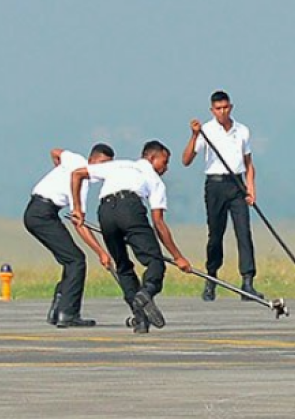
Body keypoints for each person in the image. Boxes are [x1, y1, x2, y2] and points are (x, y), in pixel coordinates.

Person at [70, 141, 192, 334]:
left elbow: (77, 174)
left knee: (123, 267)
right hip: (130, 208)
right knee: (155, 263)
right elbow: (158, 223)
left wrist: (77, 208)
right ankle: (146, 293)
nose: (166, 168)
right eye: (165, 162)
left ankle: (141, 319)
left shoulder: (119, 164)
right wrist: (178, 257)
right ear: (152, 157)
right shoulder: (155, 180)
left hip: (105, 212)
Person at [24, 144, 115, 328]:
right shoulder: (81, 183)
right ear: (92, 160)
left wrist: (58, 171)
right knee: (76, 261)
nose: (102, 169)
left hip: (38, 211)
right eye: (101, 163)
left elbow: (55, 152)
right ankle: (68, 314)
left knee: (70, 259)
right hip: (42, 214)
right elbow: (79, 224)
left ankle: (57, 310)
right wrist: (101, 253)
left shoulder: (74, 159)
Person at [182, 90, 262, 302]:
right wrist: (194, 135)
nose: (222, 112)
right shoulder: (206, 130)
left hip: (236, 184)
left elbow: (248, 163)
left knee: (244, 232)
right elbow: (186, 159)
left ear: (231, 107)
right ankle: (211, 279)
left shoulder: (242, 130)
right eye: (218, 109)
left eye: (225, 107)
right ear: (212, 110)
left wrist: (250, 188)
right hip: (215, 185)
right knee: (215, 235)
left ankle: (247, 282)